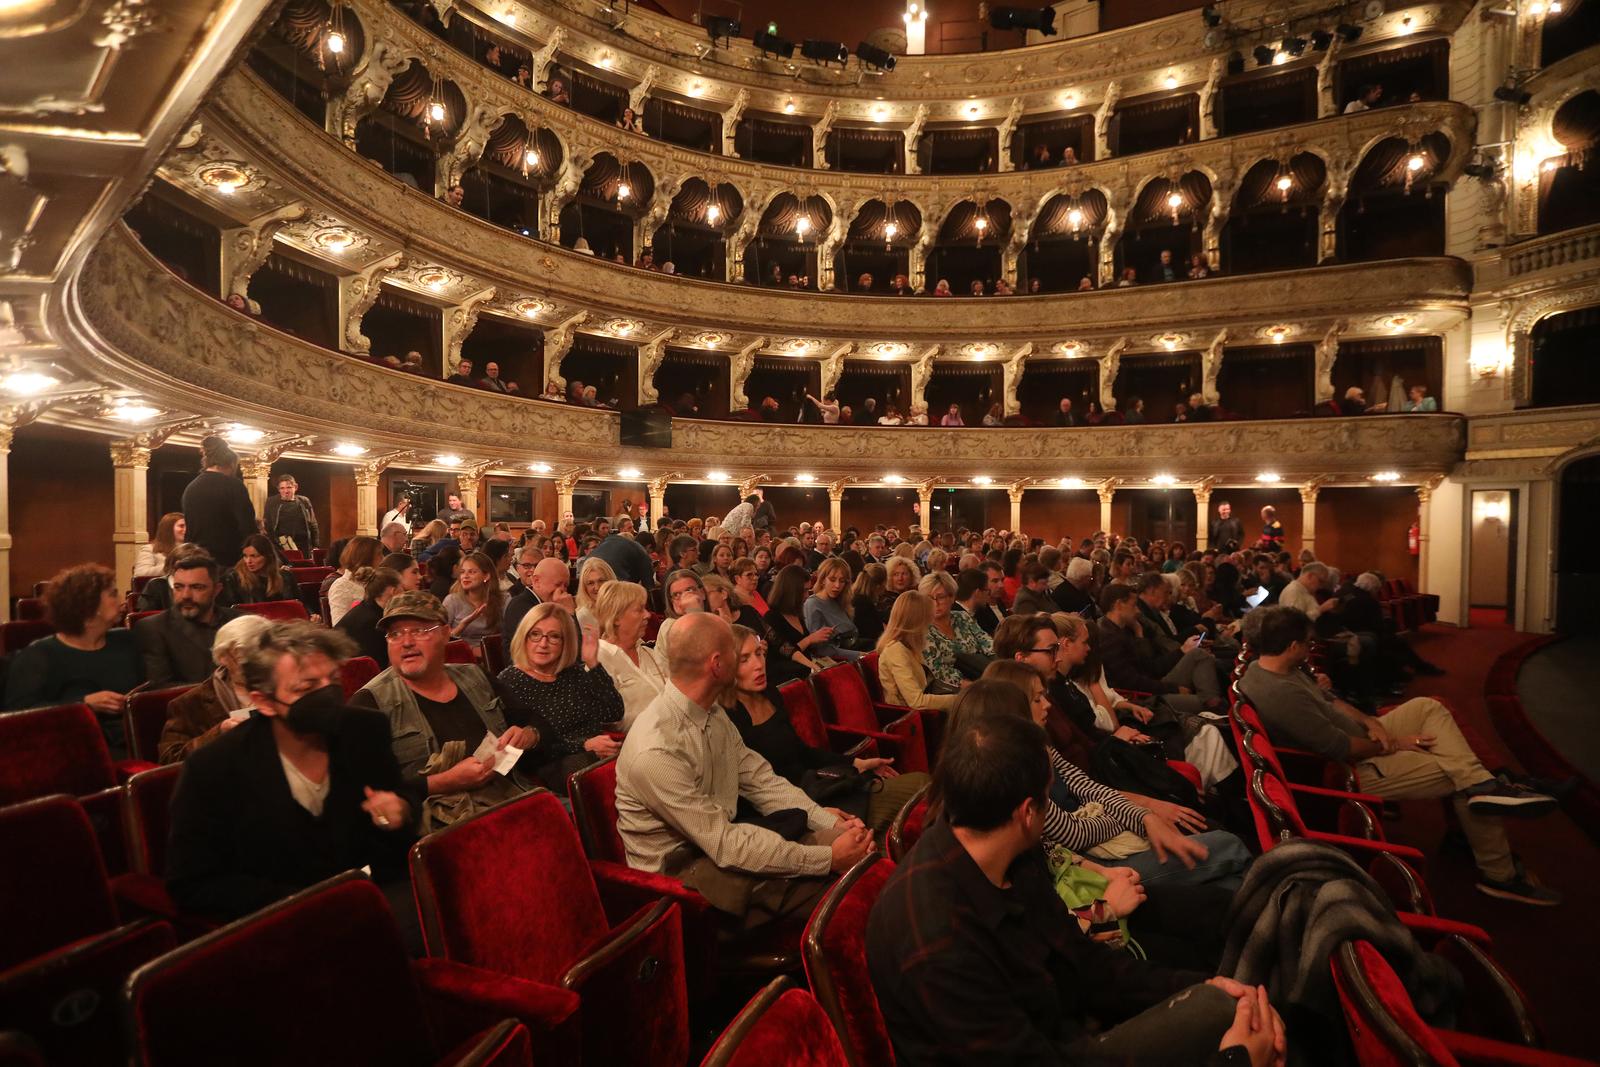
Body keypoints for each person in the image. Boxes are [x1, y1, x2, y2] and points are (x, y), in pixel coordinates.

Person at [866, 706, 1285, 1067]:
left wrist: (1194, 987)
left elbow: (1086, 965)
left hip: (1061, 1032)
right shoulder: (936, 939)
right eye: (1049, 799)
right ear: (1028, 813)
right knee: (1233, 1022)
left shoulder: (1011, 855)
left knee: (1239, 1005)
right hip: (1050, 1051)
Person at [1240, 606, 1560, 905]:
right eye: (1308, 643)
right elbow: (1341, 748)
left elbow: (1329, 700)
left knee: (1428, 708)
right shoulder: (1281, 694)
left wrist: (1371, 721)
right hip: (1348, 769)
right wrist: (1392, 743)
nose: (1311, 648)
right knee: (1452, 767)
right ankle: (1499, 873)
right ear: (1293, 645)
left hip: (1359, 736)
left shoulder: (1271, 667)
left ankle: (1480, 788)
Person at [615, 613, 872, 926]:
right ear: (717, 664)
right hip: (683, 882)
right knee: (851, 898)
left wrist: (826, 822)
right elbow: (724, 845)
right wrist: (828, 859)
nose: (754, 661)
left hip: (725, 846)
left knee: (863, 856)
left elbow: (762, 782)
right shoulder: (656, 749)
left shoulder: (710, 711)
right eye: (738, 654)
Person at [166, 622, 419, 930]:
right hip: (277, 921)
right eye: (305, 687)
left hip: (370, 903)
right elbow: (191, 882)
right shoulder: (214, 767)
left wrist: (400, 812)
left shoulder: (364, 730)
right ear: (264, 703)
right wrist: (304, 902)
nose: (327, 694)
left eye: (332, 680)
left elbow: (399, 810)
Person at [349, 593, 535, 827]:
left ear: (446, 633)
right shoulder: (370, 703)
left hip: (514, 798)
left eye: (419, 630)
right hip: (441, 827)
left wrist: (527, 735)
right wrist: (444, 782)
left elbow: (534, 723)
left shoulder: (476, 676)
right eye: (395, 634)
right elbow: (365, 792)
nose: (406, 642)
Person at [726, 625, 926, 834]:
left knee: (921, 786)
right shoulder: (728, 719)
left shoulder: (770, 694)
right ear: (725, 667)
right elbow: (754, 797)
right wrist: (815, 813)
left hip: (818, 788)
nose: (758, 665)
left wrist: (857, 763)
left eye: (759, 653)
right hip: (791, 812)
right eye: (744, 659)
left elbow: (802, 752)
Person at [496, 603, 623, 793]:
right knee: (587, 768)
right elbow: (527, 749)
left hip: (597, 754)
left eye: (554, 637)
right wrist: (584, 745)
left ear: (566, 642)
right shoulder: (509, 681)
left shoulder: (572, 672)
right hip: (552, 765)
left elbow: (613, 711)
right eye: (535, 634)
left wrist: (592, 663)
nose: (543, 643)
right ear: (524, 637)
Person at [4, 564, 144, 724]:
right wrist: (84, 704)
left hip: (127, 737)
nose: (123, 600)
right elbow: (18, 715)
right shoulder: (38, 656)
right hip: (72, 740)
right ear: (89, 606)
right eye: (113, 594)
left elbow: (145, 690)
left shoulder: (126, 640)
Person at [157, 613, 273, 764]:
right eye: (245, 659)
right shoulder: (190, 703)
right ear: (223, 657)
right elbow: (169, 759)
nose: (256, 667)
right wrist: (219, 733)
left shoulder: (285, 686)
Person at [1096, 582, 1222, 705]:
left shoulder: (1123, 629)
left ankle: (1214, 703)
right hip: (1141, 699)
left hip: (1151, 686)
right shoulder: (1109, 637)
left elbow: (1148, 667)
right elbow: (1131, 682)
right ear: (1119, 605)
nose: (1137, 611)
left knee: (1198, 654)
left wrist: (1139, 633)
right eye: (1134, 605)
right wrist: (1173, 689)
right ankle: (1215, 706)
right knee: (1203, 698)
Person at [135, 554, 242, 687]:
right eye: (179, 587)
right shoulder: (153, 628)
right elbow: (160, 689)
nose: (185, 596)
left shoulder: (239, 622)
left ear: (216, 590)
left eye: (197, 587)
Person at [594, 580, 667, 728]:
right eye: (639, 610)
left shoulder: (649, 652)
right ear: (616, 618)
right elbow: (606, 721)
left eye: (646, 608)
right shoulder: (599, 659)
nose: (647, 615)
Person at [876, 590, 963, 713]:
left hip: (923, 712)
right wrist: (960, 700)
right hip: (908, 717)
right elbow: (916, 701)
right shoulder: (896, 650)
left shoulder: (910, 645)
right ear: (917, 621)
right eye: (928, 619)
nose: (931, 624)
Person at [180, 435, 257, 567]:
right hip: (228, 560)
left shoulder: (191, 487)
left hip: (196, 558)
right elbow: (247, 526)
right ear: (231, 463)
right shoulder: (233, 485)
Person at [767, 563, 860, 663]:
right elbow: (785, 654)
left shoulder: (797, 613)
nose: (807, 595)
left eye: (842, 581)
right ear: (791, 591)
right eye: (804, 591)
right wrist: (810, 639)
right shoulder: (773, 617)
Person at [921, 571, 993, 688]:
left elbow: (987, 643)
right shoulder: (923, 628)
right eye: (929, 598)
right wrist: (975, 687)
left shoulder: (962, 617)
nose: (935, 603)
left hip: (982, 674)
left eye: (941, 597)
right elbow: (938, 672)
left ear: (952, 597)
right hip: (951, 689)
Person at [336, 566, 403, 666]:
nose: (404, 593)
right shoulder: (372, 622)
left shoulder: (368, 608)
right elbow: (378, 667)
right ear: (394, 591)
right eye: (402, 588)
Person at [443, 550, 504, 650]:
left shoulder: (503, 599)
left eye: (472, 572)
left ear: (486, 576)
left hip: (494, 655)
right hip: (462, 657)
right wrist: (463, 625)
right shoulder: (452, 601)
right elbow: (441, 640)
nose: (465, 576)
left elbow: (511, 634)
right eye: (462, 572)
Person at [803, 557, 866, 652]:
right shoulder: (813, 604)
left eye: (842, 581)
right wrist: (860, 655)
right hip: (837, 659)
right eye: (832, 580)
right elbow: (821, 649)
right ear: (823, 579)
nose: (837, 586)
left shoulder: (840, 600)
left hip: (853, 649)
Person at [222, 534, 301, 607]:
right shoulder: (234, 578)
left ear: (268, 556)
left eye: (254, 556)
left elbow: (301, 604)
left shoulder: (285, 576)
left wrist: (312, 615)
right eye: (245, 556)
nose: (248, 561)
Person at [327, 536, 384, 625]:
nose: (383, 558)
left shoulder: (378, 580)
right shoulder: (341, 586)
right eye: (379, 554)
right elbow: (339, 626)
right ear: (366, 557)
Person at [588, 518, 656, 587]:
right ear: (648, 547)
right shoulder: (641, 551)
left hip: (588, 569)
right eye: (651, 552)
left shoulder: (608, 542)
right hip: (613, 579)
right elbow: (649, 585)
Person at [262, 474, 320, 556]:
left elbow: (313, 524)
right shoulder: (272, 502)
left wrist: (316, 545)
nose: (286, 491)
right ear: (278, 489)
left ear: (295, 487)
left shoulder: (304, 501)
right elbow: (267, 527)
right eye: (282, 488)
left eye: (289, 487)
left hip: (303, 545)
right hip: (281, 546)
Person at [135, 512, 186, 579]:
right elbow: (141, 572)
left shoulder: (191, 549)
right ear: (168, 529)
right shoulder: (149, 549)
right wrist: (171, 566)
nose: (186, 529)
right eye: (181, 526)